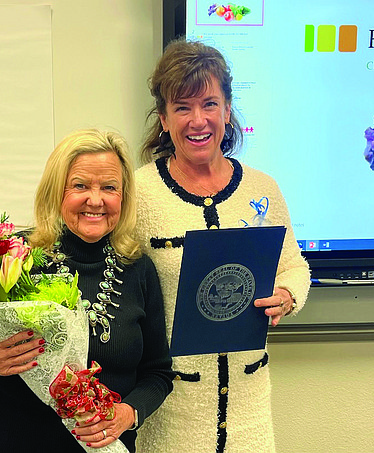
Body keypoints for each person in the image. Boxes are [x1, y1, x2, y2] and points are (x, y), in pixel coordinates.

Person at [0, 129, 174, 453]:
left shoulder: (138, 268)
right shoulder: (12, 255)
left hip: (107, 447)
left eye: (109, 187)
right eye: (80, 185)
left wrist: (127, 414)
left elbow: (157, 373)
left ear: (123, 196)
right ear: (55, 191)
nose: (95, 199)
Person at [134, 39, 311, 453]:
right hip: (172, 414)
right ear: (163, 118)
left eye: (209, 104)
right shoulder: (138, 192)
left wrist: (287, 295)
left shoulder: (263, 188)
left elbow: (293, 266)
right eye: (182, 107)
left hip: (249, 415)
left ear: (228, 111)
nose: (198, 120)